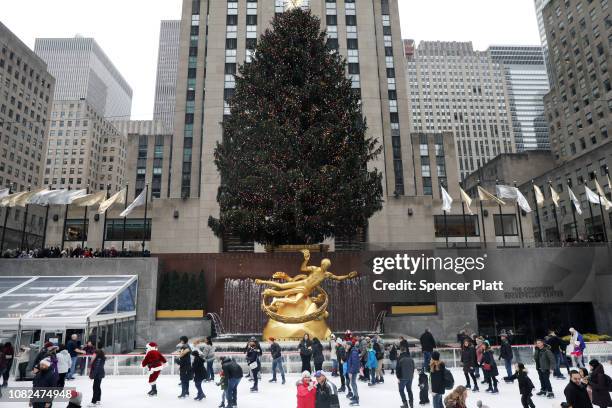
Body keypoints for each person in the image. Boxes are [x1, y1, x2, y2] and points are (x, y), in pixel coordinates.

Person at [345, 340, 361, 406]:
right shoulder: (350, 351)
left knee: (353, 383)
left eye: (347, 345)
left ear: (350, 345)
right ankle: (355, 396)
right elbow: (348, 360)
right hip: (352, 369)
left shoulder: (353, 352)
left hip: (353, 370)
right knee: (353, 383)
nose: (346, 346)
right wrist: (346, 351)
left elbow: (354, 363)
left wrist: (351, 372)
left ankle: (356, 399)